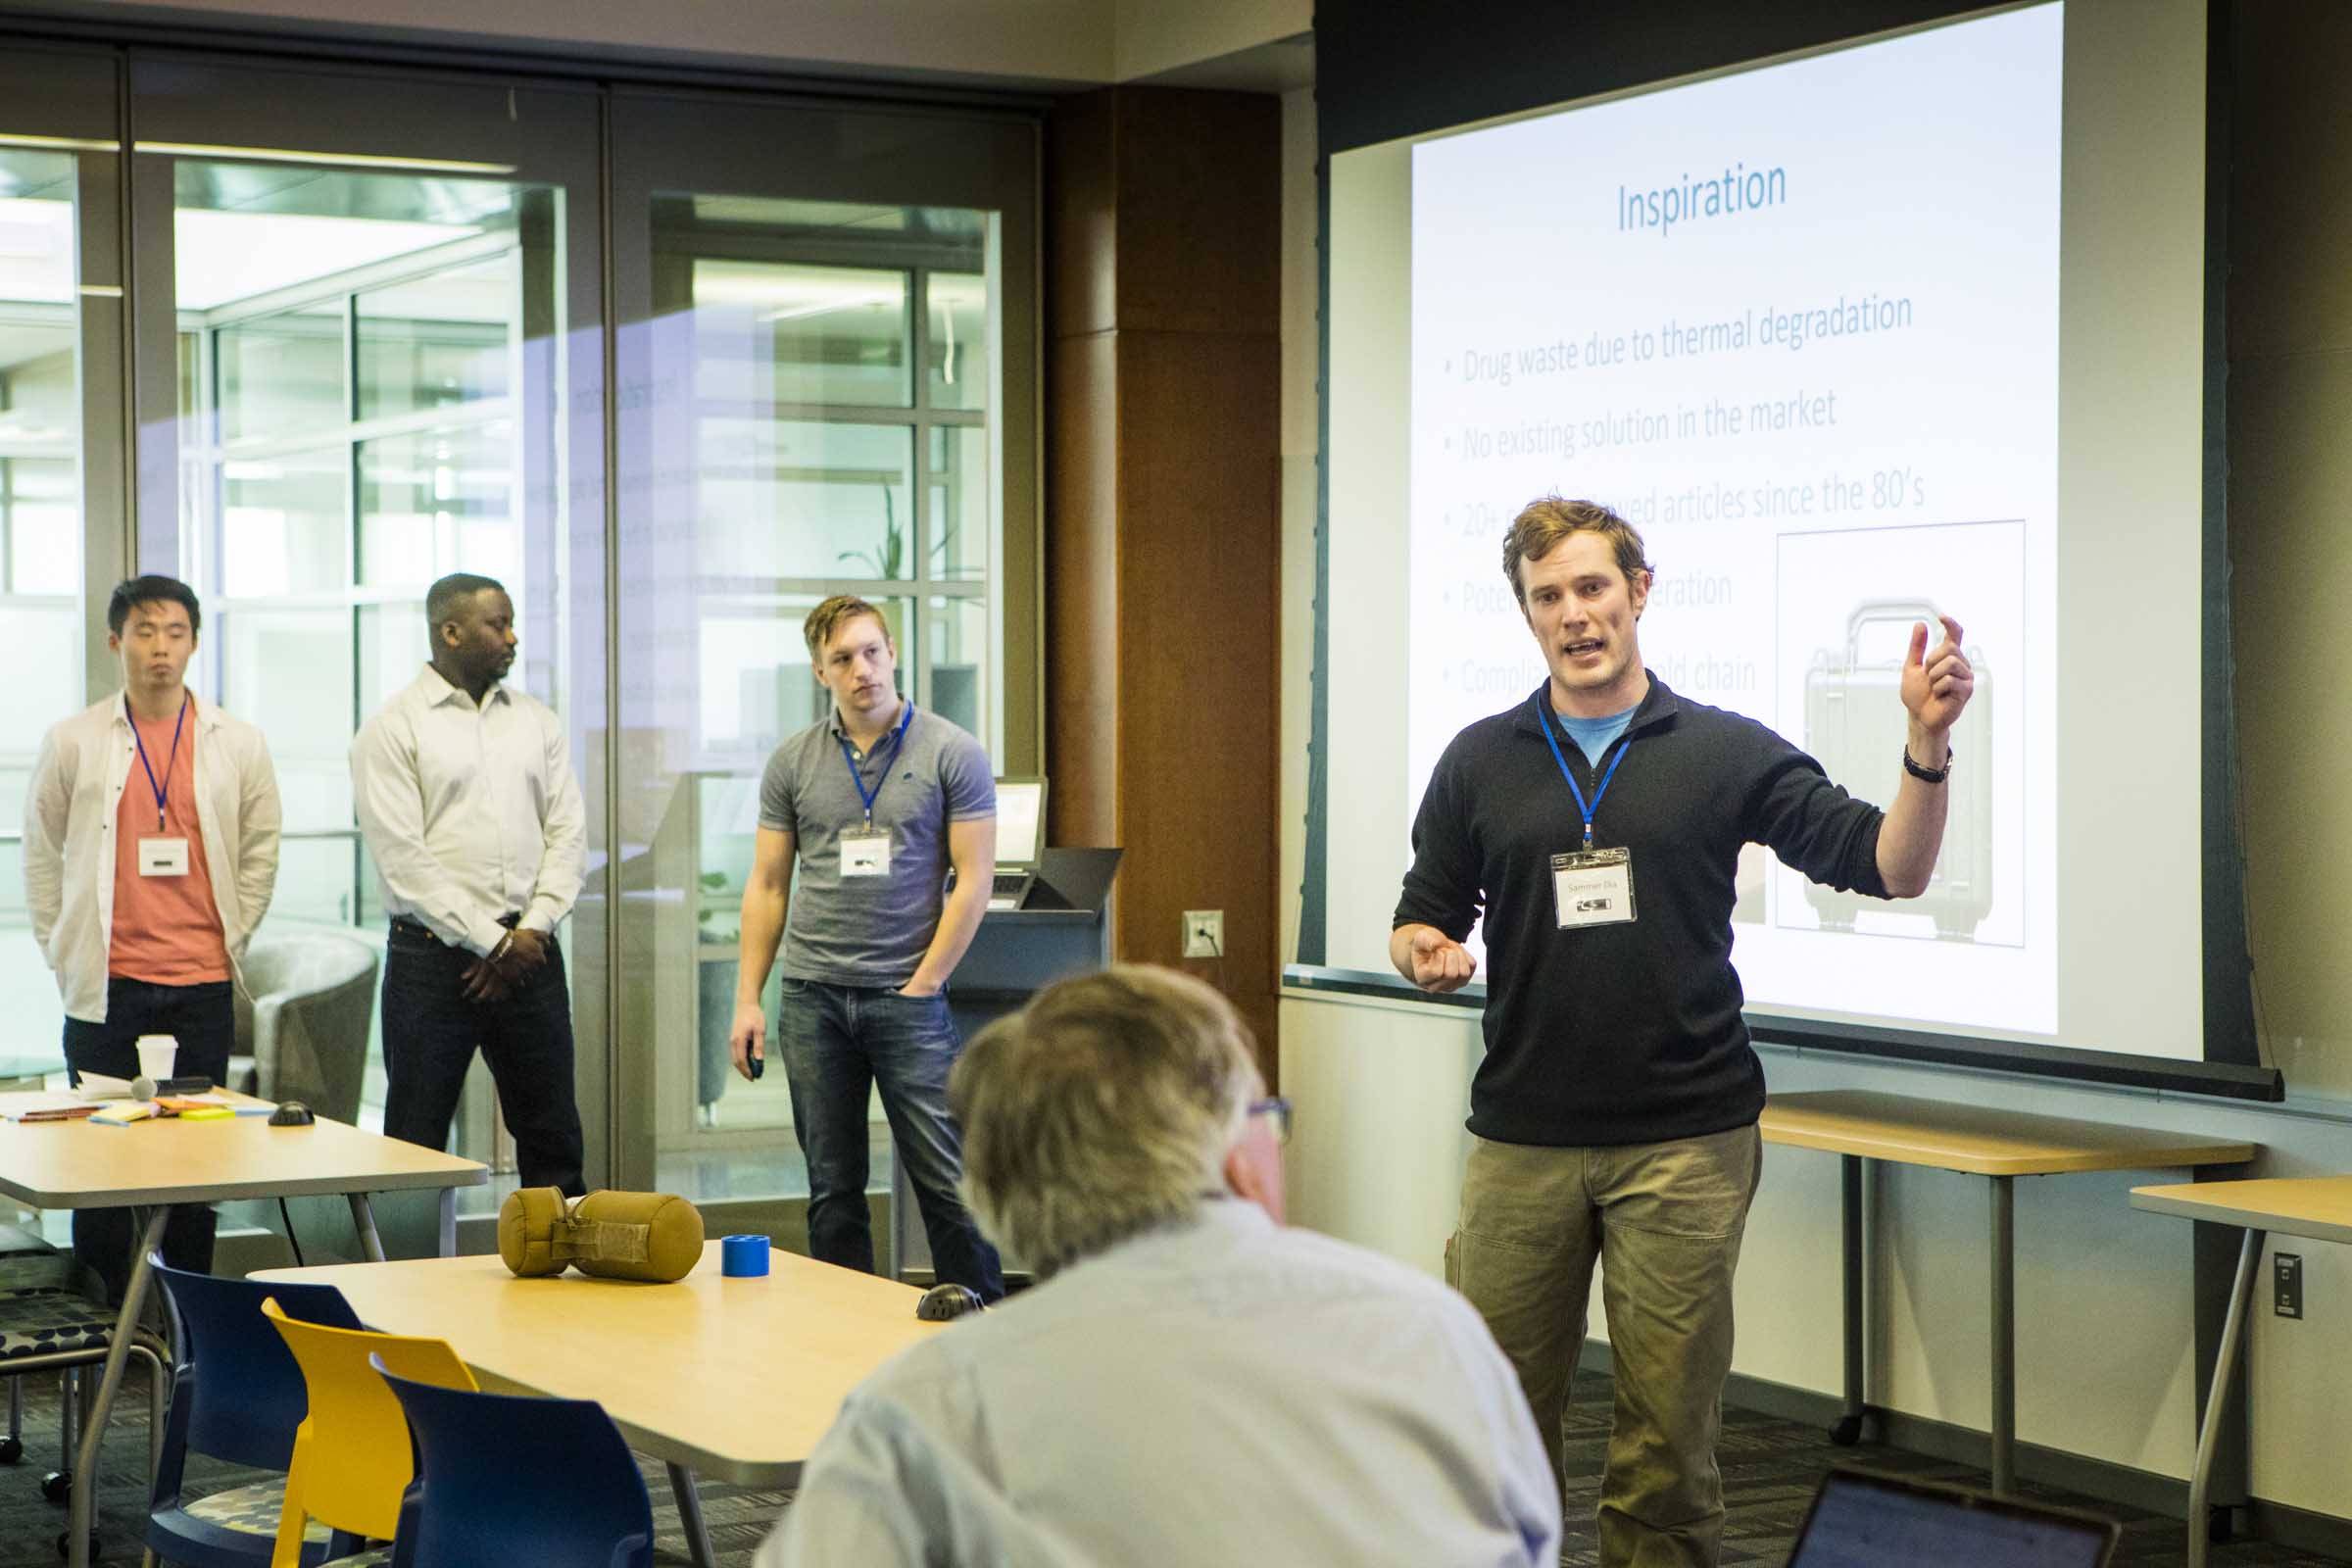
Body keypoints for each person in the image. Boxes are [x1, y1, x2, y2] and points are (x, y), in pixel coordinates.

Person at [1390, 496, 1975, 1568]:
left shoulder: (1721, 750)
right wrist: (1424, 949)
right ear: (1528, 615)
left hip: (1686, 1143)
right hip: (1522, 1139)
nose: (1574, 614)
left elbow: (1891, 866)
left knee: (1666, 1448)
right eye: (1549, 596)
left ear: (1640, 591)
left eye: (1593, 587)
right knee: (1488, 1430)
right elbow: (1423, 912)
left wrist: (1925, 747)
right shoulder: (1481, 758)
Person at [756, 964, 1560, 1567]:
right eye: (1268, 1118)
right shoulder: (1432, 1334)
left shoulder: (922, 1414)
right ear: (1232, 1152)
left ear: (999, 1196)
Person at [730, 595, 1003, 1298]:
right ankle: (843, 1335)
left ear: (893, 653)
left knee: (948, 1183)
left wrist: (924, 984)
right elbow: (767, 885)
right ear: (820, 672)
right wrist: (748, 999)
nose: (863, 670)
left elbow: (973, 881)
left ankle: (983, 1327)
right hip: (813, 1000)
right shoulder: (793, 761)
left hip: (906, 999)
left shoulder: (952, 751)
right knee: (833, 1191)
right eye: (843, 659)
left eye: (872, 652)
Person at [24, 575, 280, 1300]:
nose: (160, 647)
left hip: (201, 985)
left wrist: (235, 933)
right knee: (99, 1164)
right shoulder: (74, 739)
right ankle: (103, 1315)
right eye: (144, 631)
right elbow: (41, 854)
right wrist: (60, 948)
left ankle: (187, 1317)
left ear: (194, 642)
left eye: (174, 632)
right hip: (107, 987)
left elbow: (260, 849)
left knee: (195, 1168)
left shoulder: (238, 741)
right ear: (116, 642)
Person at [351, 572, 586, 1195]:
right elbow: (404, 861)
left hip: (531, 953)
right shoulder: (393, 728)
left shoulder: (537, 722)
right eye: (497, 625)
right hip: (432, 961)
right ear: (450, 632)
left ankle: (559, 1259)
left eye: (511, 624)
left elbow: (568, 837)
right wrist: (493, 943)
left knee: (554, 1139)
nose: (512, 638)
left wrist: (528, 933)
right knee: (415, 1146)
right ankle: (404, 1265)